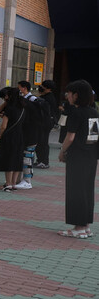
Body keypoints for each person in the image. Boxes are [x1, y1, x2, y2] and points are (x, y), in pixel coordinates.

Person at [57, 80, 98, 238]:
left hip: (78, 156)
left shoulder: (76, 112)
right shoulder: (93, 112)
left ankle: (78, 228)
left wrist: (62, 151)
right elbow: (94, 135)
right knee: (87, 189)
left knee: (76, 190)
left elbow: (70, 137)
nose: (67, 96)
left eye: (70, 93)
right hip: (91, 155)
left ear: (76, 95)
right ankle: (85, 226)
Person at [0, 87, 25, 192]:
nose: (5, 97)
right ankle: (13, 184)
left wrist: (0, 135)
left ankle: (7, 184)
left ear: (11, 96)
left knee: (9, 159)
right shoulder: (23, 107)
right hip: (20, 135)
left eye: (7, 95)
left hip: (9, 136)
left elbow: (3, 126)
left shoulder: (9, 108)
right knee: (17, 159)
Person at [16, 81, 40, 189]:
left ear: (24, 88)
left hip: (31, 133)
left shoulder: (32, 100)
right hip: (27, 133)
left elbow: (34, 117)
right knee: (25, 156)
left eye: (19, 88)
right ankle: (23, 179)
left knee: (27, 157)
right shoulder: (27, 100)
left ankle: (27, 180)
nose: (19, 90)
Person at [36, 80, 59, 168]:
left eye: (43, 86)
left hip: (46, 123)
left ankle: (44, 162)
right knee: (40, 141)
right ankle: (40, 160)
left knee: (43, 142)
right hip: (43, 122)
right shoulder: (46, 96)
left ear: (48, 88)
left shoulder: (49, 98)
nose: (41, 87)